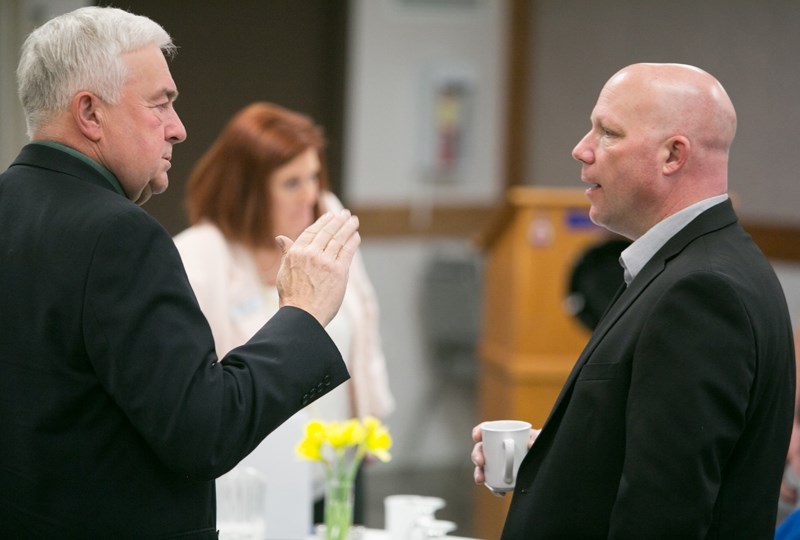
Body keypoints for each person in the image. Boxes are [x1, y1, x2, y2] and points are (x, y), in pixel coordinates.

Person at [0, 7, 360, 538]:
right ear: (90, 114)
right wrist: (302, 316)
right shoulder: (119, 234)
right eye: (160, 104)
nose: (179, 129)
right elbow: (202, 431)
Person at [471, 63, 796, 538]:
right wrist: (552, 456)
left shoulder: (702, 292)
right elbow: (646, 448)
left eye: (607, 133)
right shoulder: (688, 264)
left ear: (672, 154)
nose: (581, 149)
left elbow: (664, 514)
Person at [173, 102, 394, 531]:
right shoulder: (199, 257)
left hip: (336, 467)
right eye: (291, 182)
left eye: (313, 176)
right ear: (248, 190)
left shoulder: (326, 230)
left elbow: (364, 329)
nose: (310, 194)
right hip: (251, 480)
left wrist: (370, 424)